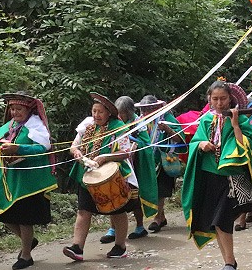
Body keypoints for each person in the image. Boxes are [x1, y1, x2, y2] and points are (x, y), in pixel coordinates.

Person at [180, 81, 252, 270]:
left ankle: (230, 263)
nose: (219, 103)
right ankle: (228, 262)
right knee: (216, 222)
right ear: (209, 99)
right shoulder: (206, 120)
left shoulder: (240, 119)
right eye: (214, 99)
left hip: (230, 178)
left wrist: (234, 125)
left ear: (230, 98)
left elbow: (247, 145)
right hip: (209, 176)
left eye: (223, 98)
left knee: (222, 220)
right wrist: (202, 145)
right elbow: (195, 143)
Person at [63, 93, 139, 261]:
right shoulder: (88, 125)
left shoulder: (118, 127)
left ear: (109, 113)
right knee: (83, 210)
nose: (96, 115)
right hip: (88, 175)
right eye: (94, 111)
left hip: (112, 175)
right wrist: (76, 151)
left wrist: (105, 157)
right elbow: (74, 145)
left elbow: (126, 152)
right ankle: (77, 248)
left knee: (117, 211)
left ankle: (120, 246)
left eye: (100, 112)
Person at [0, 93, 57, 270]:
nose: (15, 112)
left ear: (28, 110)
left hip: (28, 180)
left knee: (25, 218)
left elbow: (42, 148)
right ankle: (29, 241)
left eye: (19, 109)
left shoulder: (35, 126)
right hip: (9, 179)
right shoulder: (9, 127)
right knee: (6, 216)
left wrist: (19, 148)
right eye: (12, 109)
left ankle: (26, 255)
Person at [98, 96, 159, 242]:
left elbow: (146, 144)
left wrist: (133, 142)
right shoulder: (113, 123)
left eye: (123, 113)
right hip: (115, 166)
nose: (120, 116)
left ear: (129, 112)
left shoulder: (139, 123)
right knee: (113, 196)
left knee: (135, 198)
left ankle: (139, 227)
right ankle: (112, 229)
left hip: (135, 167)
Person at [135, 95, 185, 232]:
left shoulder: (168, 119)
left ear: (157, 108)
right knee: (149, 188)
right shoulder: (139, 122)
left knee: (160, 191)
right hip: (146, 160)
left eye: (150, 109)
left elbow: (180, 139)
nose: (146, 113)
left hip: (163, 160)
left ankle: (157, 219)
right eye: (144, 110)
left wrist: (168, 130)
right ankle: (161, 217)